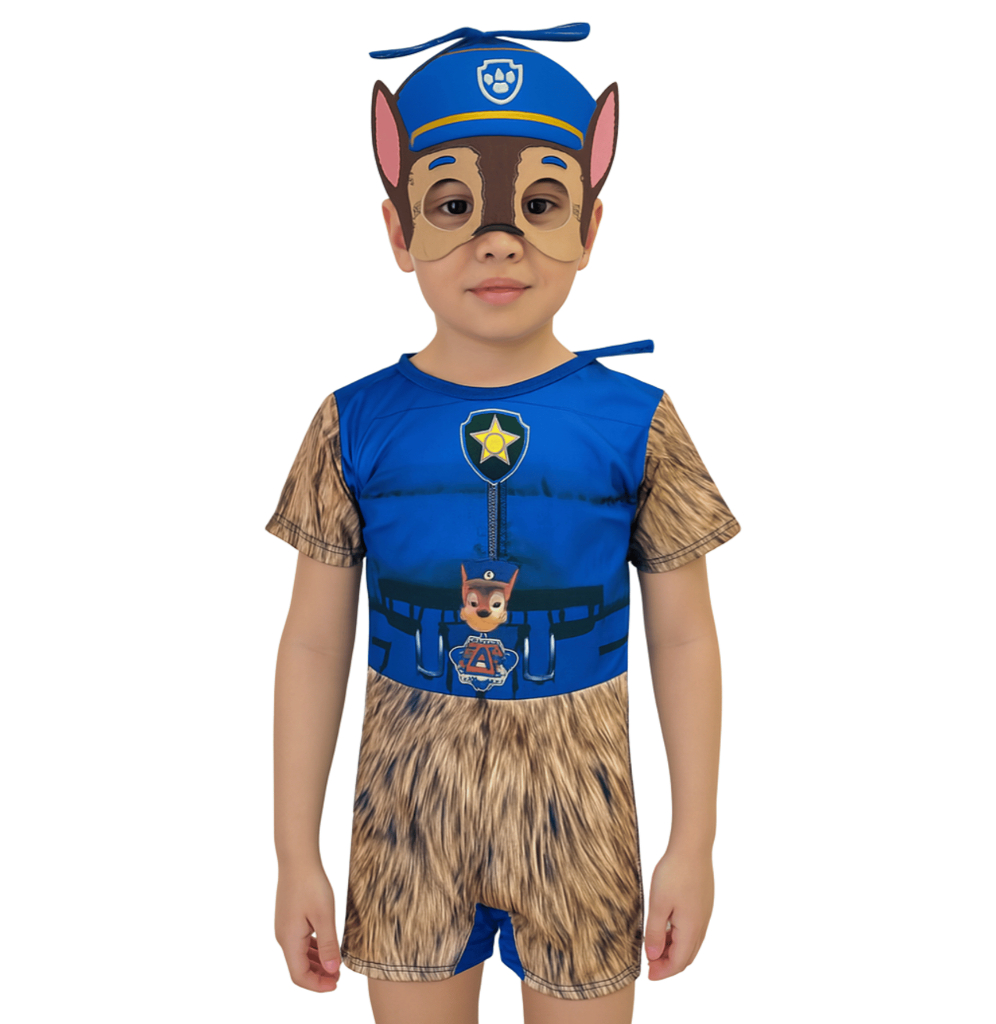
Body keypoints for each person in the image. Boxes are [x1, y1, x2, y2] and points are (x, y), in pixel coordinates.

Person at [266, 24, 741, 1024]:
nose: (498, 240)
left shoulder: (638, 423)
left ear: (590, 227)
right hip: (407, 816)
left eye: (538, 205)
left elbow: (686, 636)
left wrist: (693, 842)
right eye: (452, 205)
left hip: (582, 815)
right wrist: (294, 852)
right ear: (398, 231)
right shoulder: (352, 422)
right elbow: (312, 641)